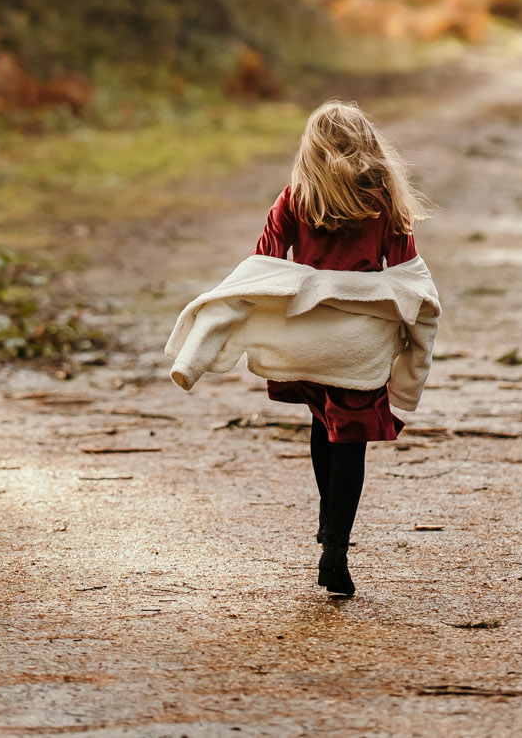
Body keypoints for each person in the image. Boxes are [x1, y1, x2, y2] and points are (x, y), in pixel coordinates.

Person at [165, 100, 438, 599]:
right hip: (356, 345)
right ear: (370, 148)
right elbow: (405, 276)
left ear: (310, 150)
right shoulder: (384, 203)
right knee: (349, 438)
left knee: (322, 422)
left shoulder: (295, 199)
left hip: (306, 340)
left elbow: (263, 266)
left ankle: (326, 520)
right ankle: (336, 547)